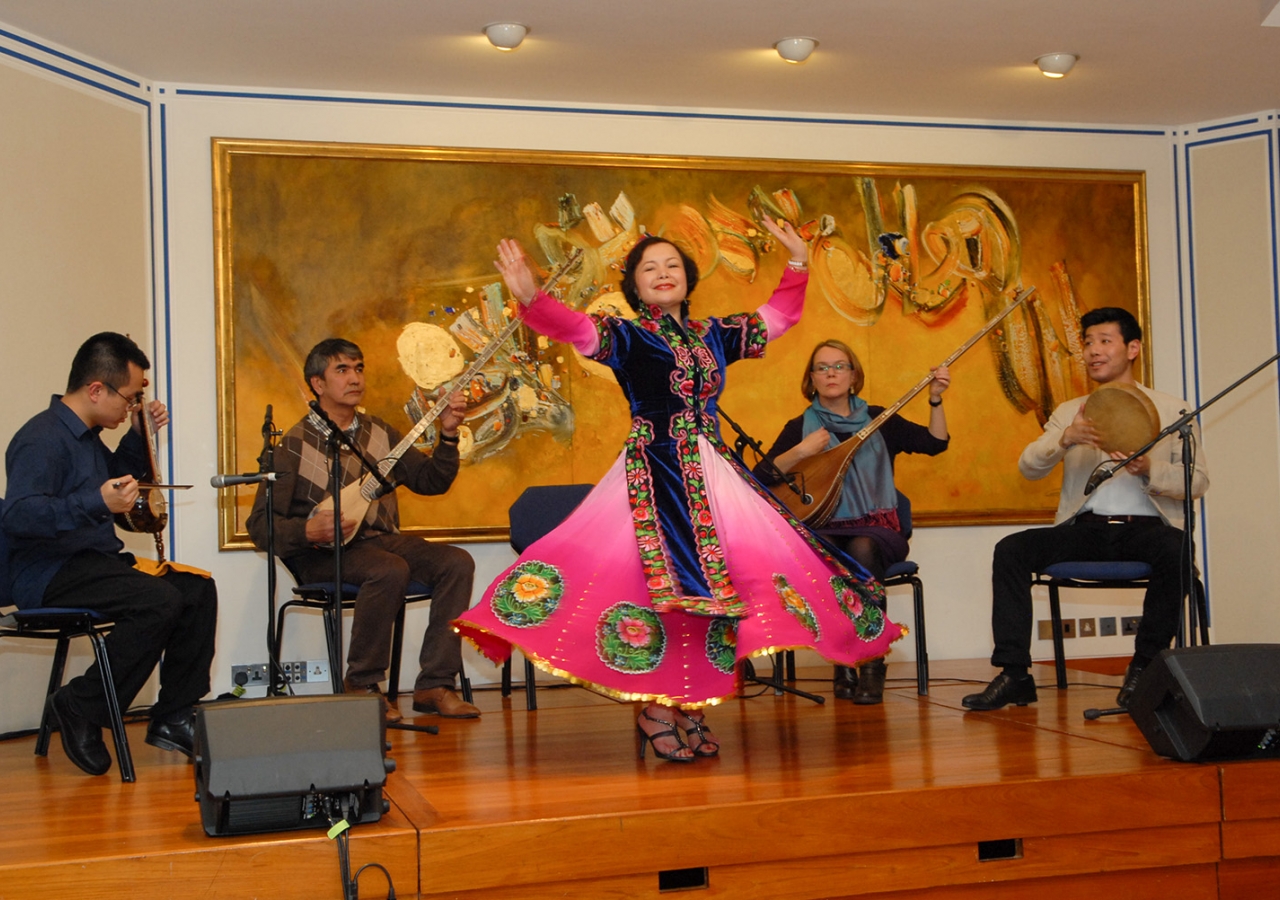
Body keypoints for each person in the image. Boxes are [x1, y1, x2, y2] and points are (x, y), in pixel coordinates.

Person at [455, 220, 903, 762]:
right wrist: (531, 298)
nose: (663, 274)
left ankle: (691, 705)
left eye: (672, 266)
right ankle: (656, 708)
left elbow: (778, 316)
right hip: (657, 472)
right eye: (650, 269)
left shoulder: (713, 334)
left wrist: (799, 262)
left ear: (687, 281)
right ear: (635, 288)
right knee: (663, 590)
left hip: (712, 472)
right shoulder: (628, 336)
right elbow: (579, 332)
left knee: (730, 587)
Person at [963, 307, 1209, 712]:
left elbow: (1197, 481)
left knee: (1177, 549)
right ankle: (1015, 674)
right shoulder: (1069, 411)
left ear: (1132, 348)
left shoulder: (1174, 411)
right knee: (1012, 549)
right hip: (1085, 529)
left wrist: (1151, 469)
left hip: (1147, 529)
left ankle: (1144, 668)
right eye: (1088, 343)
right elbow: (1029, 467)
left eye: (1105, 341)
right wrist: (1065, 439)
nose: (1094, 351)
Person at [3, 332, 218, 776]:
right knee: (159, 602)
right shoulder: (41, 437)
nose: (133, 406)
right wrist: (96, 503)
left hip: (91, 562)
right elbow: (20, 516)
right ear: (96, 389)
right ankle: (81, 705)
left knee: (196, 588)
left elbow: (119, 491)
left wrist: (140, 435)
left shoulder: (86, 438)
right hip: (47, 570)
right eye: (131, 397)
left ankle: (174, 715)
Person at [247, 338, 479, 723]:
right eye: (342, 370)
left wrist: (449, 435)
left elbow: (431, 481)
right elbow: (259, 525)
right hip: (319, 555)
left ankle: (434, 684)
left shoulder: (379, 433)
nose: (354, 378)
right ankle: (363, 685)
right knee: (387, 568)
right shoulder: (291, 445)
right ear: (317, 384)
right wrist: (307, 530)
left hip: (380, 541)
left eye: (358, 368)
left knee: (456, 562)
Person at [755, 340, 950, 703]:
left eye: (839, 366)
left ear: (854, 375)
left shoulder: (880, 418)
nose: (831, 373)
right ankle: (843, 662)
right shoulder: (800, 427)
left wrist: (935, 399)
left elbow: (935, 443)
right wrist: (800, 452)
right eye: (822, 367)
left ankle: (871, 664)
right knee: (827, 554)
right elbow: (759, 477)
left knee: (860, 549)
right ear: (811, 379)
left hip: (876, 530)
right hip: (824, 530)